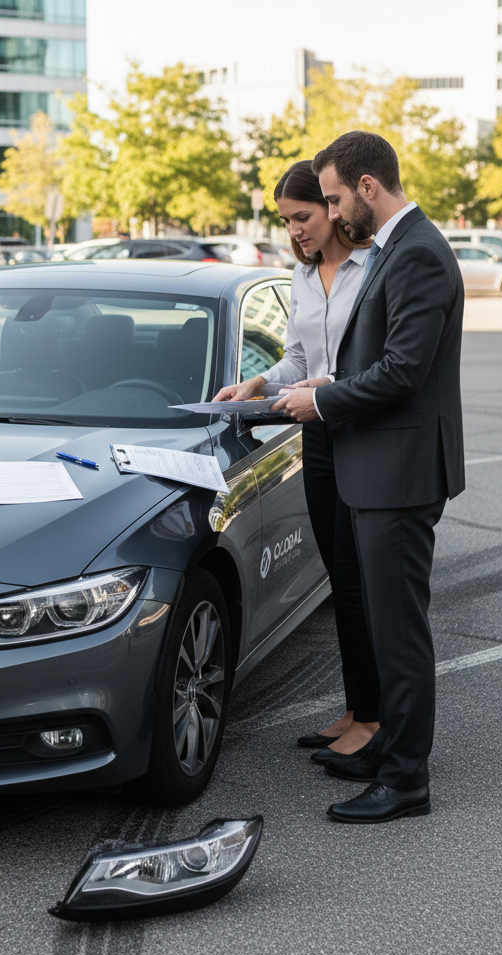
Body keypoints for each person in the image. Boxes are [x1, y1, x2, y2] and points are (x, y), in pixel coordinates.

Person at [275, 131, 464, 824]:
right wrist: (313, 386)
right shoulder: (398, 249)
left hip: (401, 471)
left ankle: (406, 779)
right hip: (376, 466)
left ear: (368, 187)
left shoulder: (417, 253)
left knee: (399, 631)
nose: (330, 212)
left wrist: (320, 398)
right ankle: (383, 749)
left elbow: (403, 372)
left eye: (330, 198)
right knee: (381, 624)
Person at [215, 161, 379, 762]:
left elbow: (374, 369)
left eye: (303, 217)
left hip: (365, 436)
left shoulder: (371, 270)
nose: (295, 231)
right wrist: (256, 384)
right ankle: (358, 709)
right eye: (286, 221)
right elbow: (294, 360)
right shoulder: (302, 275)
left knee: (367, 587)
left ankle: (376, 718)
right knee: (342, 579)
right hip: (319, 441)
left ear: (334, 210)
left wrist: (324, 388)